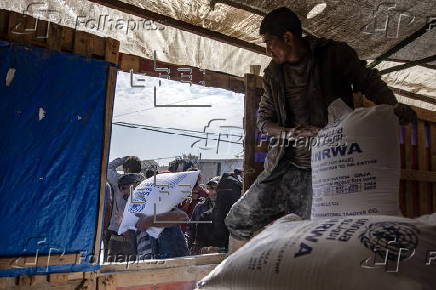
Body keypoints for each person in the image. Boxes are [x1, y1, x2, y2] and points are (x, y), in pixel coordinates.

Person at [225, 7, 417, 253]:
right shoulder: (273, 74)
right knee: (239, 219)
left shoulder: (334, 55)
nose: (267, 50)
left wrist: (393, 107)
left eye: (269, 43)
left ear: (287, 38)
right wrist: (291, 133)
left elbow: (369, 81)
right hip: (284, 166)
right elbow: (263, 120)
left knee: (315, 237)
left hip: (327, 168)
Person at [106, 173, 144, 262]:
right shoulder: (127, 200)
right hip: (116, 241)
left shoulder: (146, 205)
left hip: (133, 246)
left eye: (124, 188)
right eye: (120, 189)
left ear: (137, 185)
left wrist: (123, 224)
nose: (122, 192)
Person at [187, 177, 221, 254]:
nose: (213, 192)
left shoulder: (229, 208)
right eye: (210, 188)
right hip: (201, 253)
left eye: (216, 189)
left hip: (220, 254)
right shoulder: (199, 208)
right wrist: (187, 244)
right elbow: (191, 230)